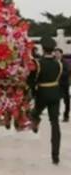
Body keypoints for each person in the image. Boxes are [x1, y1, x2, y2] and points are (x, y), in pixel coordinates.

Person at [30, 36, 64, 165]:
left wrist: (32, 93)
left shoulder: (38, 63)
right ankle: (55, 156)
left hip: (42, 94)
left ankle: (36, 119)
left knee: (34, 112)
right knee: (55, 124)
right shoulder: (59, 64)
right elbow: (60, 80)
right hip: (55, 94)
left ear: (43, 49)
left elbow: (33, 81)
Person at [54, 48, 70, 122]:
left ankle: (66, 115)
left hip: (64, 84)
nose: (56, 54)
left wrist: (58, 73)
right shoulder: (53, 62)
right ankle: (56, 114)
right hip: (55, 85)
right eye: (55, 53)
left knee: (66, 101)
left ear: (61, 54)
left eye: (58, 53)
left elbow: (67, 73)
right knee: (56, 100)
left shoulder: (65, 62)